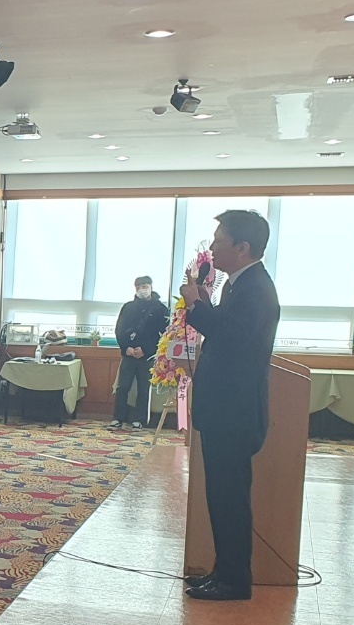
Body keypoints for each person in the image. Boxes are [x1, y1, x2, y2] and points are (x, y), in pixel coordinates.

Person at [181, 209, 281, 602]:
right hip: (225, 411)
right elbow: (227, 331)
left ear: (243, 248)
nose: (212, 248)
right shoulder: (238, 286)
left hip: (234, 414)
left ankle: (234, 580)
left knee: (230, 499)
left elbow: (232, 339)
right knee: (221, 496)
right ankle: (224, 571)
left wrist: (196, 307)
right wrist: (206, 302)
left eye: (220, 241)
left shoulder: (256, 289)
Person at [111, 275, 170, 430]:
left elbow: (164, 335)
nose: (142, 290)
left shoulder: (161, 309)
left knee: (144, 389)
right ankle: (118, 418)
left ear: (151, 287)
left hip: (148, 356)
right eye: (138, 287)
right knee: (123, 387)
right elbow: (119, 330)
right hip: (128, 354)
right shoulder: (128, 307)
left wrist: (147, 350)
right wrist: (126, 348)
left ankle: (140, 420)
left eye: (145, 286)